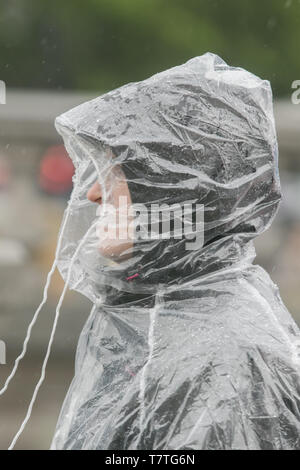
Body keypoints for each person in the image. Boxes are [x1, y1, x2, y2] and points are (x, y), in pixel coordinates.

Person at [50, 53, 300, 450]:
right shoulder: (162, 316)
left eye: (116, 172)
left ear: (173, 188)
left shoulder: (226, 362)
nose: (94, 192)